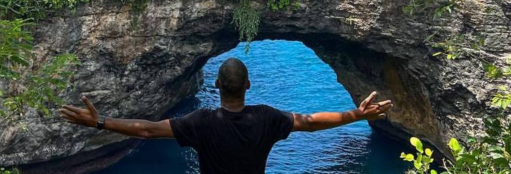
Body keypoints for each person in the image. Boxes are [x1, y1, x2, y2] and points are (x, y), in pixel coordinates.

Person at [59, 58, 393, 174]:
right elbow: (310, 122)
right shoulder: (266, 117)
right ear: (248, 85)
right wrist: (356, 115)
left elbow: (146, 130)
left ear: (216, 84)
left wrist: (99, 121)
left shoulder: (201, 122)